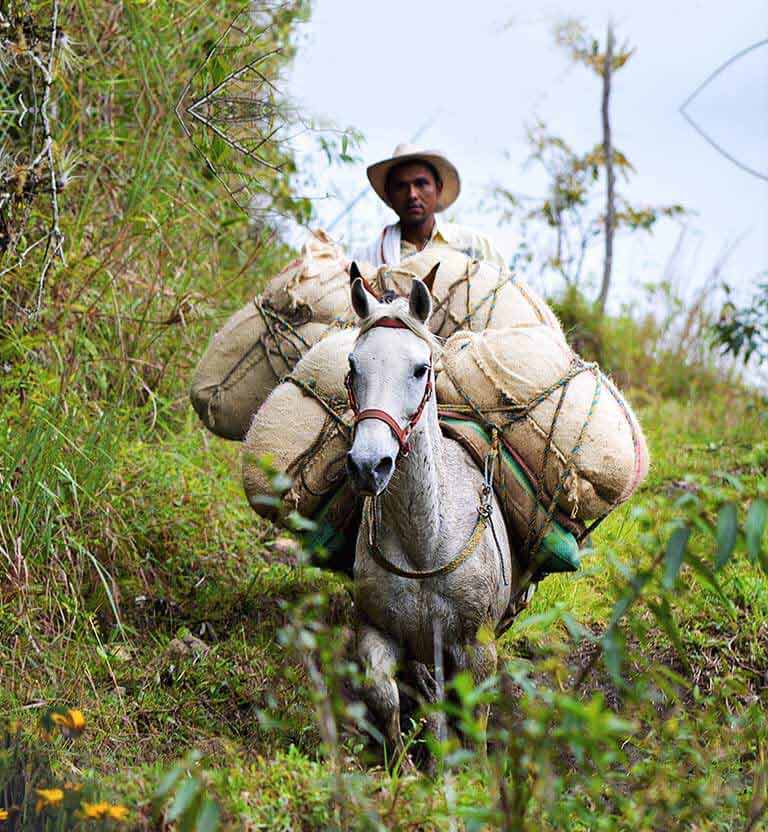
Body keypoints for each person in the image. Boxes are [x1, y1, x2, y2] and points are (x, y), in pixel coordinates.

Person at [354, 143, 507, 270]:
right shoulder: (368, 259)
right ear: (389, 194)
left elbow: (507, 295)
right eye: (401, 186)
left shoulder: (473, 244)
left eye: (421, 184)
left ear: (438, 188)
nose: (412, 194)